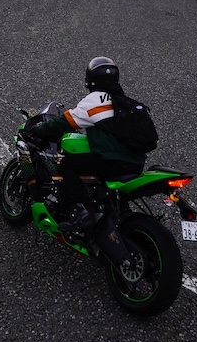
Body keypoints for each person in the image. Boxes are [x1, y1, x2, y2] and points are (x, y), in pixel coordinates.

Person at [26, 55, 152, 235]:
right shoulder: (125, 102)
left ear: (91, 79)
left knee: (68, 164)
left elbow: (64, 122)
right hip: (136, 163)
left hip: (113, 161)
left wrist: (38, 129)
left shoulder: (96, 101)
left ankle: (82, 211)